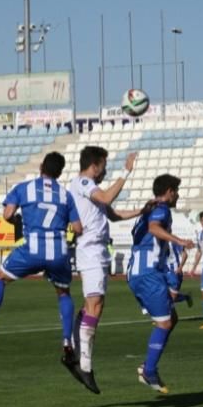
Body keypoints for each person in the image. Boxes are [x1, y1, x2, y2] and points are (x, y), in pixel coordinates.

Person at [0, 153, 91, 386]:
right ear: (60, 173)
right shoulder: (65, 195)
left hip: (32, 249)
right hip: (58, 251)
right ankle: (66, 342)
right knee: (63, 293)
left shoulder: (24, 188)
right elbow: (78, 227)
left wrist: (17, 223)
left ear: (41, 166)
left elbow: (7, 214)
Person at [68, 146, 144, 391]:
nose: (105, 170)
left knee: (93, 304)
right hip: (90, 250)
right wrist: (126, 171)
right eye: (104, 165)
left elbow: (113, 214)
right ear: (95, 165)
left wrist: (142, 210)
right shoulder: (82, 182)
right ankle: (85, 365)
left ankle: (72, 349)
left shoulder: (91, 190)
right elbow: (107, 198)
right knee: (96, 304)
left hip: (97, 251)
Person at [127, 174, 196, 393]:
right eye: (176, 190)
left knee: (170, 318)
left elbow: (141, 231)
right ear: (168, 191)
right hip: (147, 273)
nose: (178, 195)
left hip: (138, 272)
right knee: (165, 323)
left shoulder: (149, 209)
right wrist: (179, 241)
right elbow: (154, 228)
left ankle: (149, 367)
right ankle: (149, 369)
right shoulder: (162, 208)